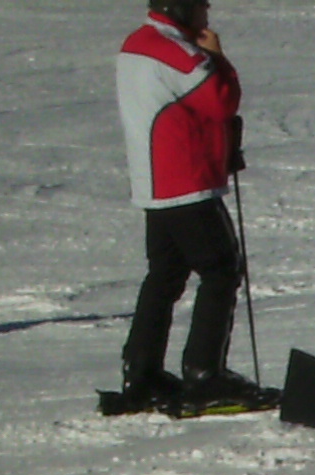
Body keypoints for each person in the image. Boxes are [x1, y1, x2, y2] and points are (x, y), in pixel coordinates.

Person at [113, 0, 249, 412]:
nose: (207, 11)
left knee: (166, 275)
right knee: (221, 269)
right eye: (200, 4)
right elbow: (221, 100)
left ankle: (142, 370)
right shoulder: (175, 51)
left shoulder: (139, 42)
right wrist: (217, 57)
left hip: (156, 181)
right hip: (185, 181)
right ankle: (204, 373)